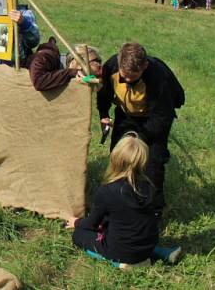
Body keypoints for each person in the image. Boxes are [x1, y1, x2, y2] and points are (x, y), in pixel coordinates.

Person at [66, 134, 184, 269]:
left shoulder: (106, 190)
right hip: (148, 244)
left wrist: (76, 222)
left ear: (115, 159)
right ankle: (162, 252)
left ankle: (119, 262)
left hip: (122, 251)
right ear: (143, 161)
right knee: (129, 231)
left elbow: (92, 224)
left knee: (79, 235)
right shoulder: (149, 186)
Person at [97, 42, 184, 215]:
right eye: (125, 76)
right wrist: (103, 114)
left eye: (134, 77)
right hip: (125, 115)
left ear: (145, 66)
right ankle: (117, 201)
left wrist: (137, 139)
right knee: (119, 156)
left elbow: (162, 118)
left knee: (152, 164)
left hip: (153, 118)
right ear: (119, 63)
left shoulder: (159, 77)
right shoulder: (111, 66)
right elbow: (104, 93)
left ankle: (154, 210)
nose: (128, 81)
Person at [29, 37, 102, 91]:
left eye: (99, 62)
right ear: (75, 62)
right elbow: (39, 82)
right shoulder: (44, 57)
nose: (99, 66)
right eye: (94, 61)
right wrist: (72, 72)